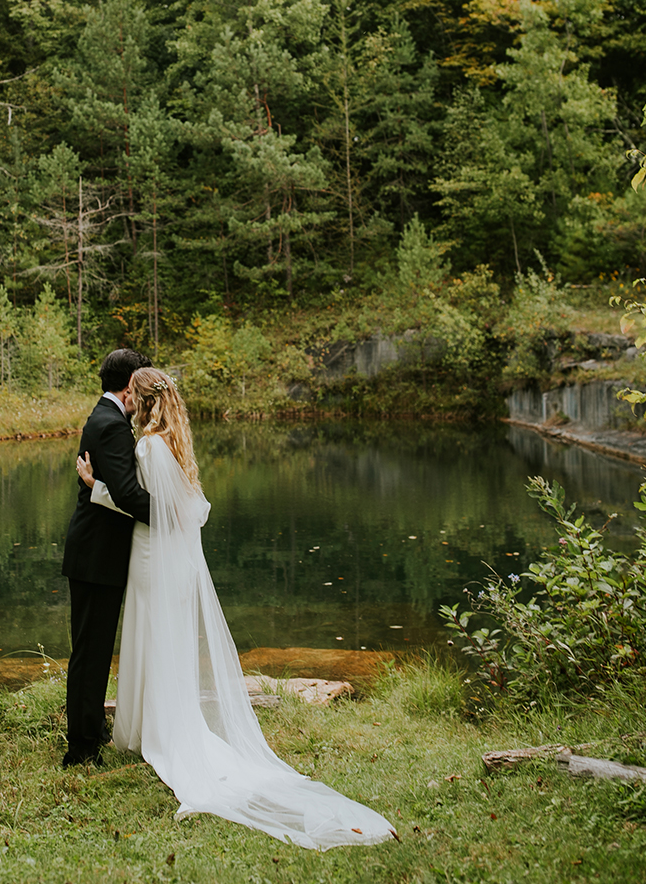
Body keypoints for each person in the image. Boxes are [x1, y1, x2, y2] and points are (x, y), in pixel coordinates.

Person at [76, 366, 396, 850]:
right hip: (171, 557)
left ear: (138, 400)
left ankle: (152, 732)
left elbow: (145, 505)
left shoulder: (146, 446)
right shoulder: (176, 444)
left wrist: (96, 486)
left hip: (152, 555)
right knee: (163, 640)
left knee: (150, 637)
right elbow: (190, 509)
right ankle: (155, 725)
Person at [61, 347, 152, 768]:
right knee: (91, 652)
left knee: (93, 649)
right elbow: (130, 496)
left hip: (97, 555)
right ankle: (80, 747)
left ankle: (91, 728)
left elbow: (114, 489)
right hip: (97, 557)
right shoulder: (111, 424)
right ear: (130, 384)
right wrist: (174, 515)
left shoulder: (108, 419)